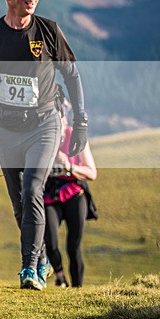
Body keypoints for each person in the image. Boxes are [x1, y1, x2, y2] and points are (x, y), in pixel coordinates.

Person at [0, 0, 89, 290]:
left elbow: (72, 76)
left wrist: (80, 121)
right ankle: (43, 257)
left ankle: (29, 269)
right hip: (5, 130)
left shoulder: (48, 31)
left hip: (45, 126)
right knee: (20, 205)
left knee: (33, 189)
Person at [43, 89, 97, 287]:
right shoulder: (45, 139)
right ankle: (59, 276)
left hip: (75, 193)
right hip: (51, 194)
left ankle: (77, 288)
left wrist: (70, 167)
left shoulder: (76, 137)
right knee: (50, 240)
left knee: (73, 247)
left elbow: (92, 173)